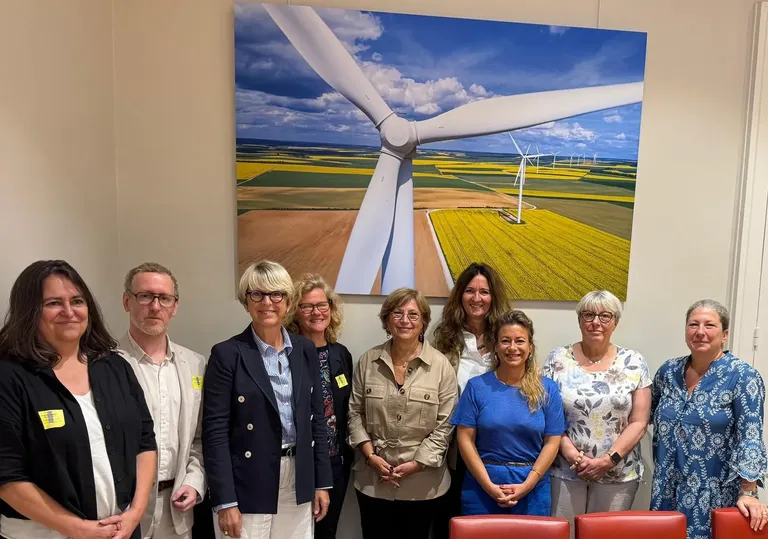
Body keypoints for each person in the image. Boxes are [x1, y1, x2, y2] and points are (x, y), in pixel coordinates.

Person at [0, 260, 157, 539]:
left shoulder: (114, 367)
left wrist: (135, 512)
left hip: (120, 530)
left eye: (77, 301)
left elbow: (145, 441)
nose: (69, 311)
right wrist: (77, 529)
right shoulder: (10, 376)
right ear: (29, 310)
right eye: (53, 303)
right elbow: (6, 474)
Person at [202, 260, 332, 539]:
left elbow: (317, 420)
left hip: (298, 476)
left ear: (288, 301)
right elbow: (215, 432)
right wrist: (225, 500)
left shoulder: (304, 349)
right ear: (245, 301)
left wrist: (321, 482)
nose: (267, 302)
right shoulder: (227, 354)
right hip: (248, 479)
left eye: (276, 294)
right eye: (257, 294)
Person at [651, 299, 768, 538]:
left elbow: (751, 436)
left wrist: (748, 492)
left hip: (714, 494)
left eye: (709, 325)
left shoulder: (743, 376)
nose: (700, 332)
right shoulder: (668, 371)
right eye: (693, 324)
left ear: (724, 335)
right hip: (666, 490)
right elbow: (644, 415)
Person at [348, 288, 457, 539]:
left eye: (413, 314)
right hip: (373, 480)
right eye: (397, 313)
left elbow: (446, 425)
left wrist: (417, 464)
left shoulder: (441, 366)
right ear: (387, 320)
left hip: (423, 485)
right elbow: (354, 413)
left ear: (424, 322)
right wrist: (370, 457)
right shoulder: (368, 361)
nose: (405, 320)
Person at [541, 290, 650, 536]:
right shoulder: (558, 359)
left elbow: (639, 421)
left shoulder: (634, 362)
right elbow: (548, 416)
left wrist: (607, 461)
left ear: (615, 321)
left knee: (605, 535)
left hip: (618, 473)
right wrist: (574, 458)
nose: (595, 322)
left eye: (605, 316)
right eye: (588, 315)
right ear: (579, 320)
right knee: (563, 534)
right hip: (565, 469)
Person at [117, 263, 207, 539]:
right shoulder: (105, 365)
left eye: (164, 298)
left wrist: (194, 482)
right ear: (127, 301)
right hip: (123, 511)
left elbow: (200, 438)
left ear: (175, 306)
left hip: (177, 510)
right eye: (145, 296)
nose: (155, 307)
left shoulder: (195, 364)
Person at [451, 310, 564, 516]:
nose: (513, 348)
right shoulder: (476, 387)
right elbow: (465, 439)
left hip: (533, 488)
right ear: (495, 346)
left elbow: (552, 442)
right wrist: (489, 486)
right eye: (505, 341)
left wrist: (527, 485)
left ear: (530, 347)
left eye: (520, 341)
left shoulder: (548, 389)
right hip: (481, 487)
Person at [431, 263, 509, 538]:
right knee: (451, 520)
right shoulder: (444, 338)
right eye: (469, 291)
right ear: (460, 295)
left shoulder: (507, 337)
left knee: (491, 524)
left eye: (484, 292)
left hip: (497, 447)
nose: (477, 298)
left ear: (493, 297)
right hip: (452, 447)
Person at [285, 274, 353, 539]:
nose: (317, 312)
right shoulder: (286, 354)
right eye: (307, 306)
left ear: (331, 309)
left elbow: (346, 409)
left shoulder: (340, 354)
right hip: (297, 462)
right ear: (295, 311)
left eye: (322, 305)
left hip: (335, 462)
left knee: (327, 532)